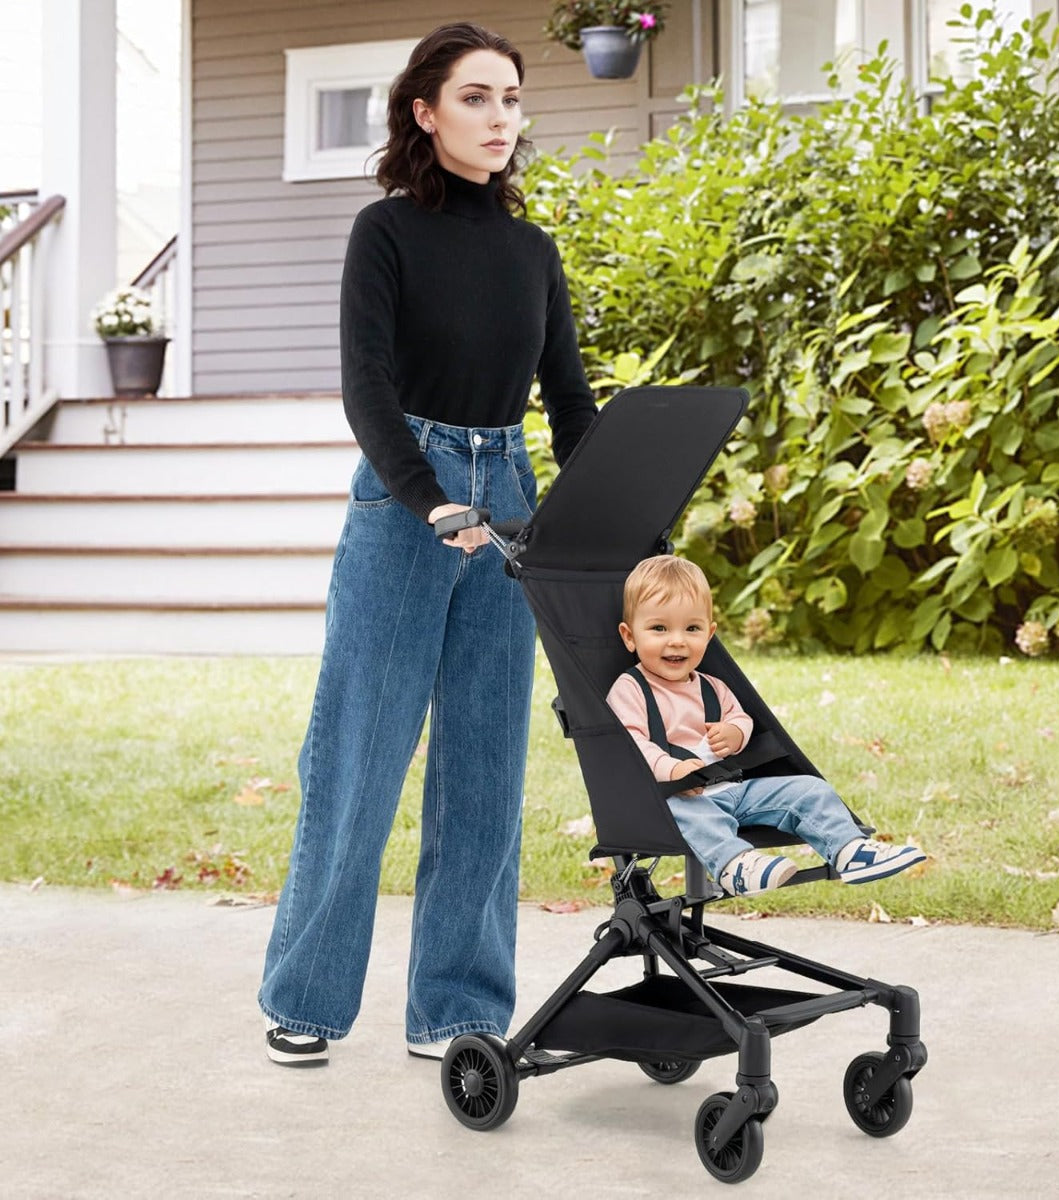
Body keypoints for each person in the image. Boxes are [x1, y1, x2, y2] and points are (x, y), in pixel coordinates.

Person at [258, 23, 597, 1068]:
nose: (500, 120)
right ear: (425, 111)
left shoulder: (532, 252)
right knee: (357, 758)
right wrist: (427, 500)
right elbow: (368, 388)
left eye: (510, 100)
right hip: (406, 507)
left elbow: (571, 405)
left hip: (512, 504)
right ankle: (307, 996)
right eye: (477, 99)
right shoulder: (387, 233)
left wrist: (618, 531)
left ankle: (457, 1008)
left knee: (487, 768)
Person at [606, 556, 926, 896]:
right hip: (673, 797)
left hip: (734, 788)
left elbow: (739, 718)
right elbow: (630, 744)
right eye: (659, 629)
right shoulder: (630, 689)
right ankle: (735, 865)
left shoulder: (712, 686)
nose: (677, 641)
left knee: (808, 789)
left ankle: (850, 850)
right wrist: (673, 768)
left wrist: (734, 733)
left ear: (710, 633)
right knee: (688, 812)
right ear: (629, 636)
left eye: (692, 629)